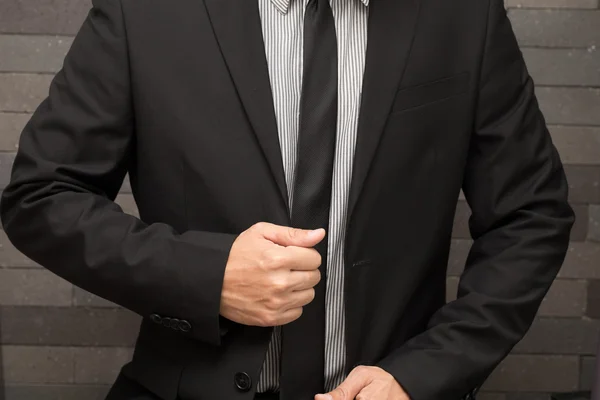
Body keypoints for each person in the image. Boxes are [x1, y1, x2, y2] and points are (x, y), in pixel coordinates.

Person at [0, 0, 575, 399]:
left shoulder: (464, 15)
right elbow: (42, 195)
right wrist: (207, 276)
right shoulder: (144, 11)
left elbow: (532, 213)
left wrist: (425, 376)